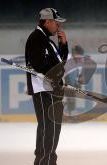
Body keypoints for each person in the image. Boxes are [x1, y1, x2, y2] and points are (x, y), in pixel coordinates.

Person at [25, 8, 68, 165]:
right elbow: (39, 65)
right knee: (48, 127)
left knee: (53, 127)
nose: (58, 26)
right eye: (56, 22)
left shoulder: (47, 40)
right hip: (44, 90)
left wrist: (63, 45)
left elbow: (59, 64)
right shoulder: (37, 38)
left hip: (52, 90)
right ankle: (44, 161)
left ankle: (49, 160)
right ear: (47, 22)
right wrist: (55, 77)